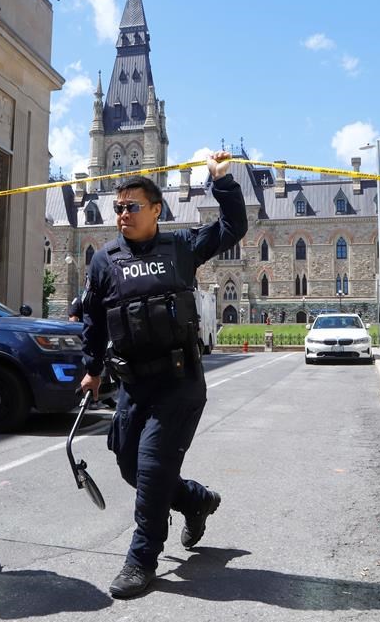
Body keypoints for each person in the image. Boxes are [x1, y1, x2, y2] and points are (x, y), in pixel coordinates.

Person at [79, 150, 247, 598]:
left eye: (132, 206)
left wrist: (221, 182)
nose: (123, 214)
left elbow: (234, 227)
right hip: (134, 385)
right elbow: (94, 320)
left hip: (178, 382)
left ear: (157, 210)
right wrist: (92, 371)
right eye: (118, 207)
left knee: (152, 470)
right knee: (131, 468)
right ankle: (196, 500)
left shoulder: (181, 248)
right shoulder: (105, 261)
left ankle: (141, 559)